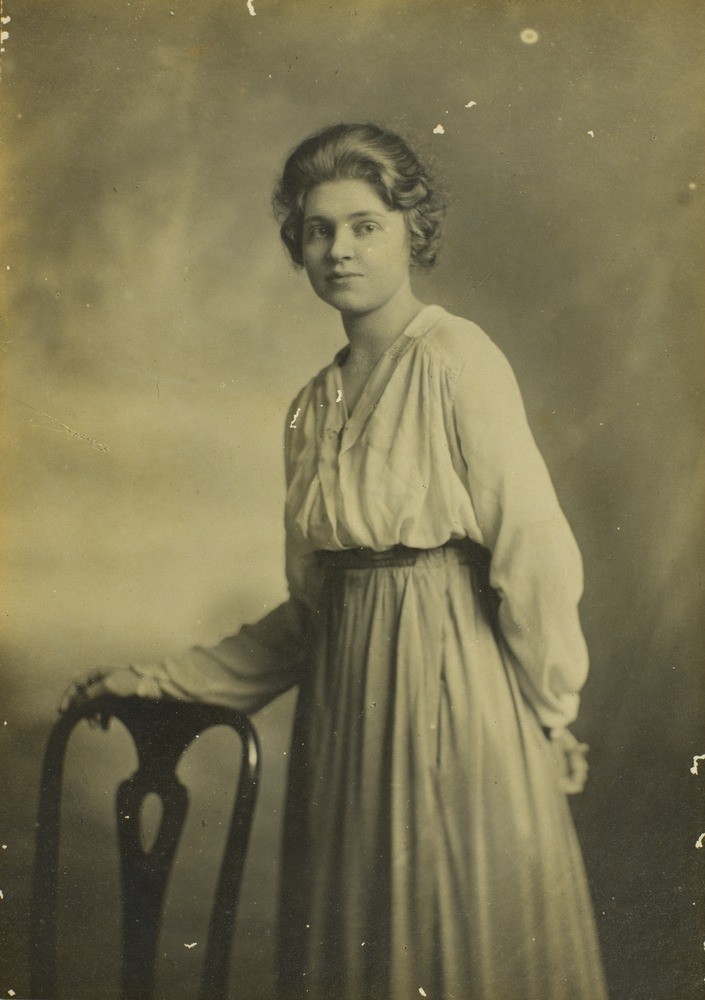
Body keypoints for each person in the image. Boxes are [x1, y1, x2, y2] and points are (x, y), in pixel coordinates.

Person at [67, 123, 608, 1000]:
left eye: (364, 224)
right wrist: (164, 679)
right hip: (345, 717)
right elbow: (309, 612)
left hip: (455, 709)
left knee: (452, 945)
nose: (339, 249)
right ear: (298, 245)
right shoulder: (308, 408)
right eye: (317, 230)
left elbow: (534, 549)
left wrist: (549, 709)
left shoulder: (455, 359)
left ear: (411, 231)